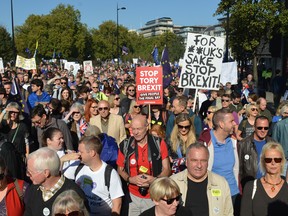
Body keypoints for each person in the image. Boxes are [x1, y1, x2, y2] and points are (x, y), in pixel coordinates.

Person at [117, 115, 171, 216]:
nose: (135, 132)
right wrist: (130, 179)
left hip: (153, 196)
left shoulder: (158, 143)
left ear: (146, 127)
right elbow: (120, 169)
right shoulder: (125, 145)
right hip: (132, 196)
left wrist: (154, 180)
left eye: (139, 129)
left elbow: (167, 169)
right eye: (133, 129)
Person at [170, 142, 233, 216]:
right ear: (186, 162)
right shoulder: (173, 183)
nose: (199, 165)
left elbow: (228, 213)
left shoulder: (221, 183)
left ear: (208, 162)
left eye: (203, 161)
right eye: (194, 160)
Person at [69, 136, 124, 216]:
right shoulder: (78, 167)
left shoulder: (110, 174)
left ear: (92, 153)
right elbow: (58, 178)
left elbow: (117, 205)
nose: (78, 154)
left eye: (81, 152)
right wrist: (63, 159)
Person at [24, 147, 87, 216]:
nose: (27, 175)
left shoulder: (74, 194)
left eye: (30, 172)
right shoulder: (33, 189)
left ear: (46, 173)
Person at [199, 108, 239, 211]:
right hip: (214, 193)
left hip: (233, 192)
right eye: (231, 121)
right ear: (221, 124)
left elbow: (236, 169)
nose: (235, 123)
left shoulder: (233, 141)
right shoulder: (207, 142)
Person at [240, 142, 288, 216]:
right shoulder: (250, 187)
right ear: (263, 161)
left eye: (277, 159)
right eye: (268, 160)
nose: (273, 163)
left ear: (282, 162)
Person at [238, 116, 274, 188]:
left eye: (266, 128)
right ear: (254, 127)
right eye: (259, 128)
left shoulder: (273, 144)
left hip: (269, 185)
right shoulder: (243, 144)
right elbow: (239, 168)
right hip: (250, 185)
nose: (263, 130)